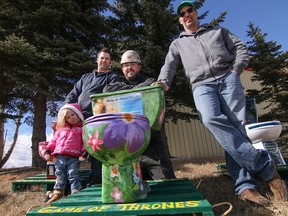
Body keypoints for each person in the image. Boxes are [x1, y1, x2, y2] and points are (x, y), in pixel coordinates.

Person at [153, 1, 288, 205]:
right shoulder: (177, 43)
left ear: (196, 13)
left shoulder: (218, 31)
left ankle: (245, 186)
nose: (187, 15)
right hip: (201, 85)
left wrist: (236, 70)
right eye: (182, 14)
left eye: (189, 10)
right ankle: (268, 169)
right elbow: (169, 65)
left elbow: (240, 47)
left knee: (236, 128)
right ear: (179, 20)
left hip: (228, 78)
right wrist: (163, 82)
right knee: (210, 118)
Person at [104, 50, 176, 180]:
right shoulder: (115, 84)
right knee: (130, 186)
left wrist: (128, 92)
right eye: (126, 65)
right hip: (126, 144)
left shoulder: (150, 81)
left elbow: (151, 85)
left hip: (150, 140)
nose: (129, 68)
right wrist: (137, 90)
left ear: (139, 67)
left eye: (132, 64)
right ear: (122, 68)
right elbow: (107, 91)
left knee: (165, 181)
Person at [65, 48, 121, 186]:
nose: (104, 61)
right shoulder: (86, 77)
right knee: (69, 147)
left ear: (111, 62)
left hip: (97, 118)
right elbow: (74, 93)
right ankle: (68, 183)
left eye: (107, 59)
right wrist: (67, 107)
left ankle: (96, 181)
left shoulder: (113, 77)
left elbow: (112, 93)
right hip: (78, 116)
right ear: (97, 60)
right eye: (102, 58)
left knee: (97, 149)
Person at [44, 103, 86, 204]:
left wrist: (83, 153)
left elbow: (85, 142)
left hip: (74, 156)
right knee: (59, 174)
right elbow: (54, 141)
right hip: (60, 156)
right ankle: (58, 192)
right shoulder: (61, 130)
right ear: (65, 119)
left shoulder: (82, 129)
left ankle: (76, 191)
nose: (71, 118)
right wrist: (48, 150)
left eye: (73, 115)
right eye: (68, 117)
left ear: (78, 114)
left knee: (73, 173)